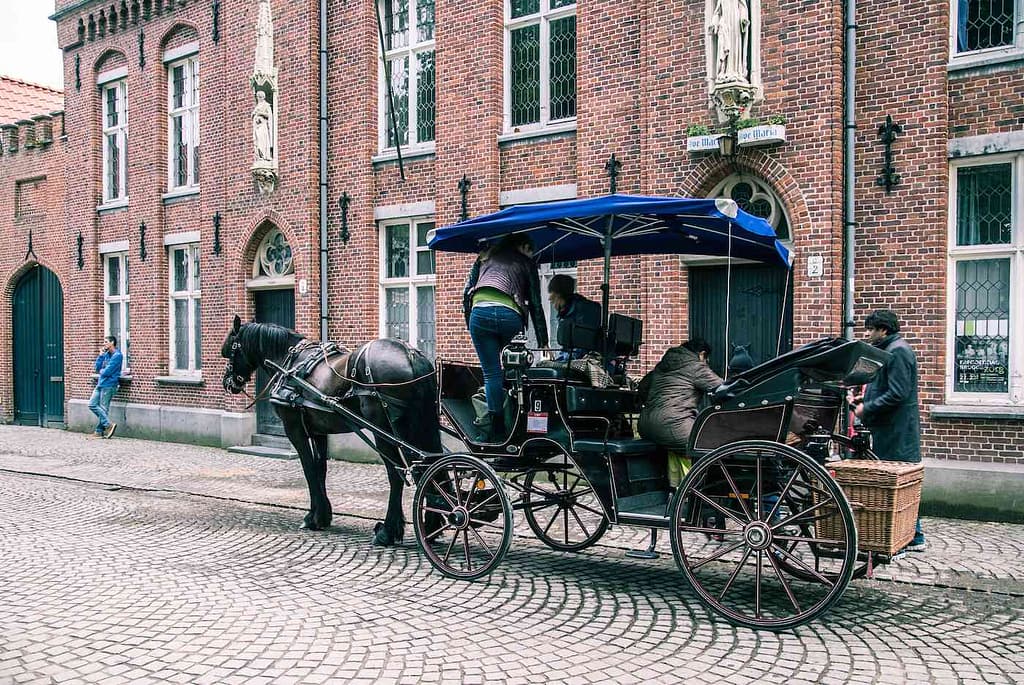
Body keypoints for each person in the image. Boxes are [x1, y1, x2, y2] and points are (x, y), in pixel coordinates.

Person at [463, 233, 548, 442]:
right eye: (532, 250)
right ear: (524, 246)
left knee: (491, 374)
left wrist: (471, 325)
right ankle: (520, 422)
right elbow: (536, 305)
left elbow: (467, 295)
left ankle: (497, 428)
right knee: (516, 370)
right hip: (509, 315)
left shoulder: (484, 259)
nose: (533, 255)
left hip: (479, 314)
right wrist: (543, 342)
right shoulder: (526, 262)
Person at [853, 309, 926, 552]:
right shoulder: (891, 350)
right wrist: (864, 398)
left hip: (898, 430)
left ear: (883, 329)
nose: (868, 333)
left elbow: (898, 393)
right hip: (890, 428)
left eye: (871, 329)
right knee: (899, 483)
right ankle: (913, 535)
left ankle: (912, 537)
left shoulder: (898, 352)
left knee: (900, 482)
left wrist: (867, 408)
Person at [638, 338, 724, 488]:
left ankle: (675, 489)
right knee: (715, 448)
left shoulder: (663, 365)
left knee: (680, 444)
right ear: (702, 355)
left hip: (646, 425)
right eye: (707, 360)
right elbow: (722, 389)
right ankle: (700, 494)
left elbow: (643, 387)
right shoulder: (695, 366)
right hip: (673, 425)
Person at [547, 274, 602, 362]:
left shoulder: (580, 311)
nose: (550, 300)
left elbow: (580, 346)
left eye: (553, 299)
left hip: (580, 358)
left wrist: (560, 361)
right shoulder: (573, 309)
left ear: (559, 295)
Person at [89, 335, 123, 439]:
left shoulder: (117, 355)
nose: (104, 344)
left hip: (109, 385)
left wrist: (102, 371)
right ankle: (108, 425)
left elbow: (107, 372)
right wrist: (100, 356)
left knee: (104, 409)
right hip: (100, 383)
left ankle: (99, 431)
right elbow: (97, 368)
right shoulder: (106, 354)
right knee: (92, 404)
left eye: (106, 342)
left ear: (112, 343)